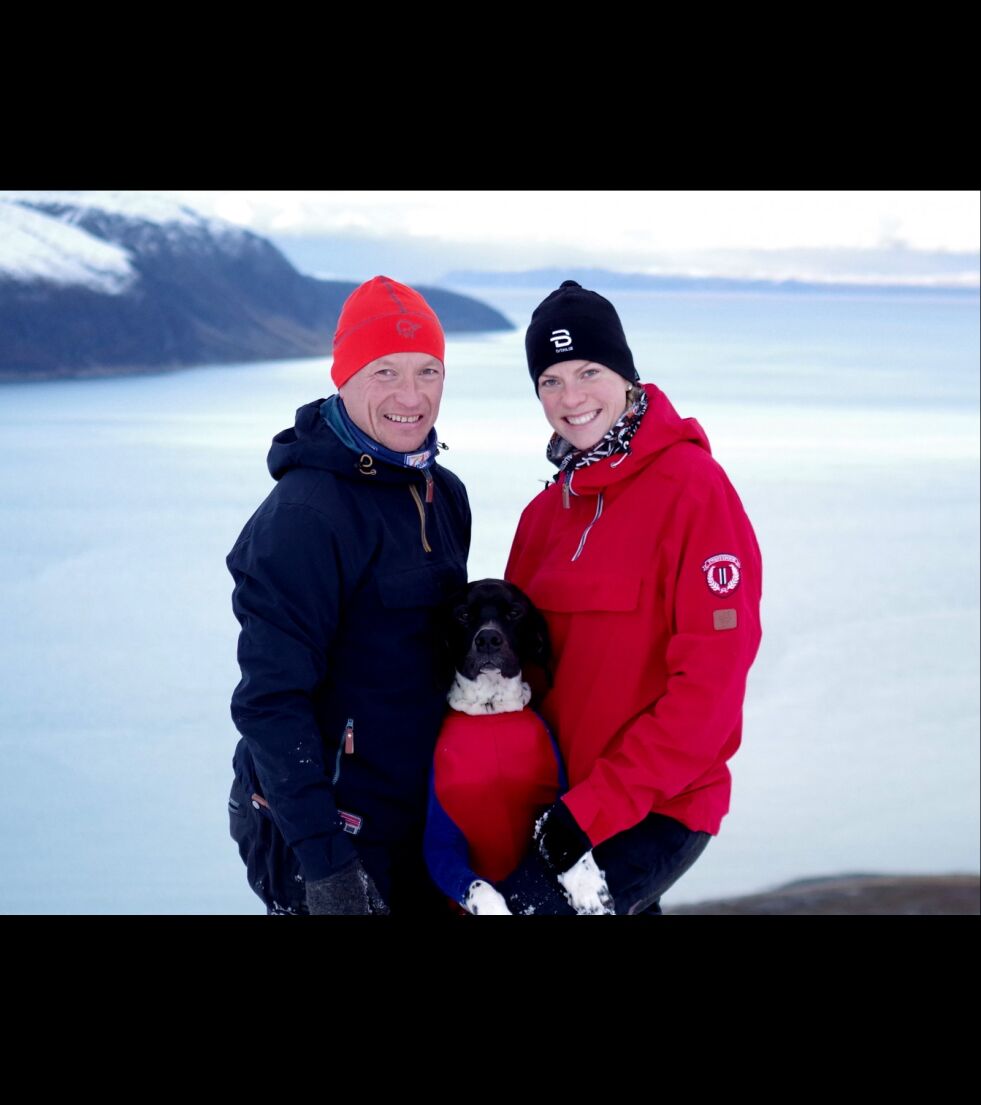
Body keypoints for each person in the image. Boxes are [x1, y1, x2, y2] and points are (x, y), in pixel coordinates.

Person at [500, 280, 762, 915]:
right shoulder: (544, 513)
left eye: (589, 371)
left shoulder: (693, 491)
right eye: (551, 381)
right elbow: (515, 674)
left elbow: (710, 688)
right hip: (556, 807)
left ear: (626, 375)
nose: (572, 397)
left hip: (656, 807)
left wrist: (592, 811)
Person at [226, 275, 471, 915]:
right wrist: (326, 864)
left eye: (428, 371)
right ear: (344, 377)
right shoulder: (306, 516)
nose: (411, 397)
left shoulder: (442, 492)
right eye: (384, 372)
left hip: (419, 817)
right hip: (332, 830)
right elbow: (270, 703)